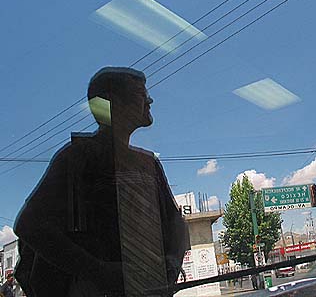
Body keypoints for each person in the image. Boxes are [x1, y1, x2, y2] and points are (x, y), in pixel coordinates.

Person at [14, 67, 190, 297]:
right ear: (112, 103)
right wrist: (101, 272)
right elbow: (29, 224)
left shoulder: (148, 164)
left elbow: (175, 223)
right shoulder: (78, 157)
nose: (149, 100)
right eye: (140, 94)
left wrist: (171, 265)